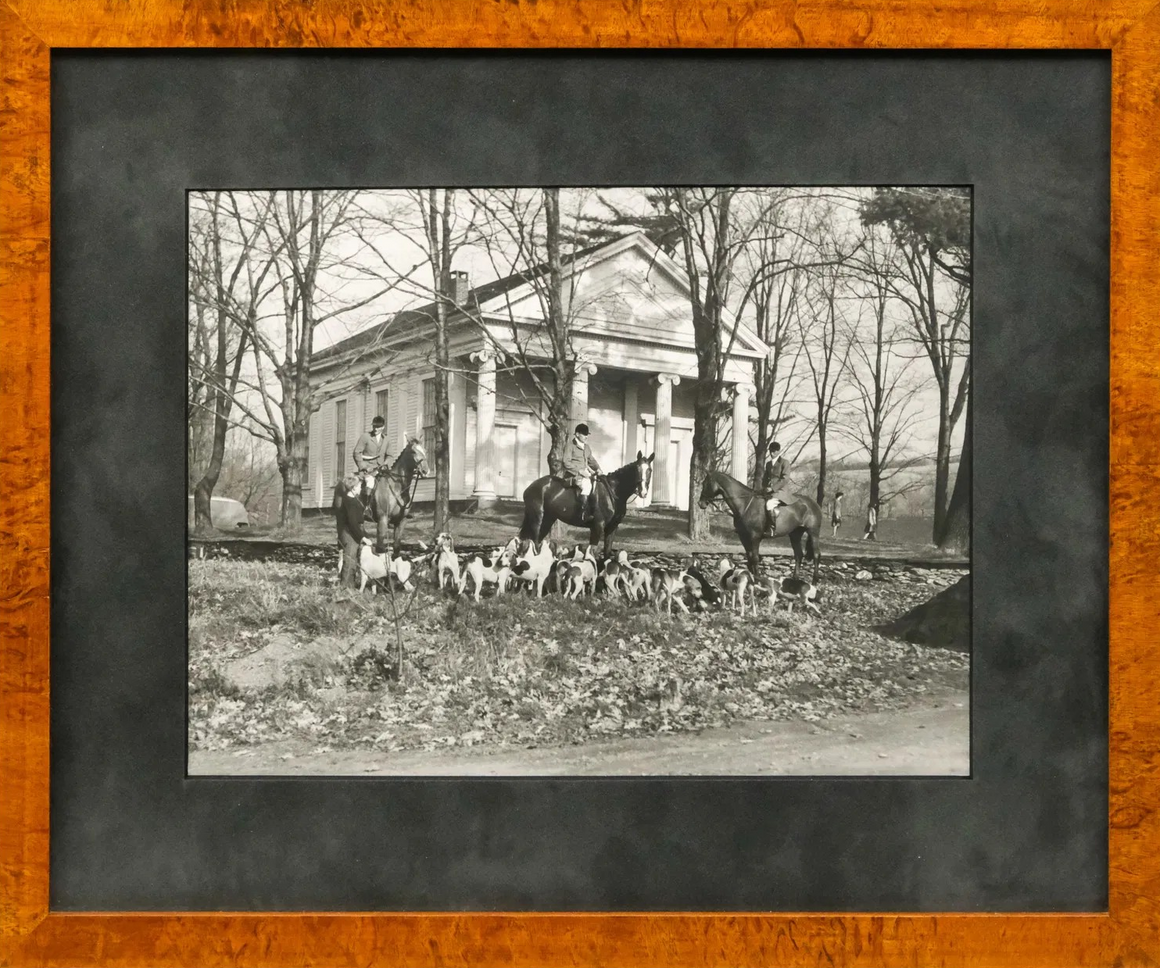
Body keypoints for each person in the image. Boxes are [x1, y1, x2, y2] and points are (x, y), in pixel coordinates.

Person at [562, 422, 603, 523]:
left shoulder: (587, 447)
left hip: (586, 474)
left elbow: (591, 460)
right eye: (584, 434)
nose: (586, 437)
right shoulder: (570, 446)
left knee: (598, 484)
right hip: (573, 475)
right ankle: (581, 512)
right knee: (587, 486)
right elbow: (566, 462)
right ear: (577, 434)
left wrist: (598, 469)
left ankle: (595, 510)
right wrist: (579, 471)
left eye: (587, 434)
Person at [352, 415, 392, 505]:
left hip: (382, 470)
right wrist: (363, 467)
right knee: (370, 483)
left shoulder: (387, 439)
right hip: (368, 470)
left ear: (383, 427)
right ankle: (366, 508)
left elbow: (390, 456)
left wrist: (385, 464)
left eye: (378, 427)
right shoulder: (365, 437)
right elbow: (356, 453)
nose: (375, 429)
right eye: (374, 426)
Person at [762, 441, 793, 533]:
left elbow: (785, 478)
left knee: (769, 504)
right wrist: (763, 488)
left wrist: (773, 488)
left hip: (780, 491)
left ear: (778, 451)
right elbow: (765, 478)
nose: (771, 453)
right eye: (770, 451)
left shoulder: (784, 462)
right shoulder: (768, 464)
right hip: (769, 491)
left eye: (774, 451)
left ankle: (772, 528)